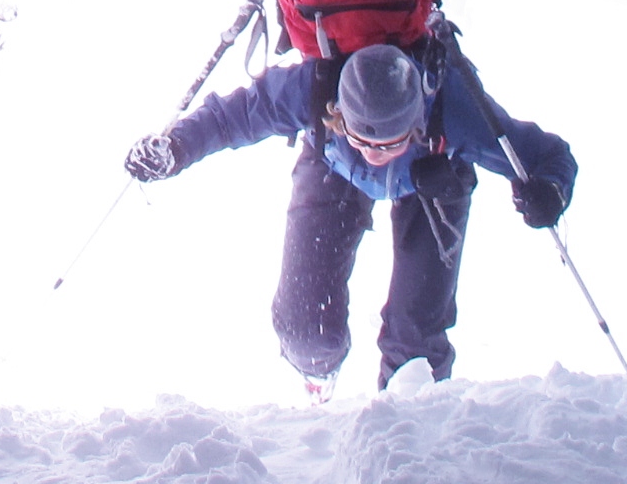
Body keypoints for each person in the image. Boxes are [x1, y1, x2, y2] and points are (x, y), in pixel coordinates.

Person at [123, 37, 575, 390]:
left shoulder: (454, 108)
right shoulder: (313, 88)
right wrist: (176, 148)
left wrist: (549, 191)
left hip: (433, 177)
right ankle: (318, 373)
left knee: (416, 339)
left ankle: (409, 421)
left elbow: (547, 156)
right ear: (339, 114)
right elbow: (232, 117)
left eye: (389, 143)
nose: (376, 153)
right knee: (305, 327)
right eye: (363, 138)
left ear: (416, 119)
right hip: (334, 168)